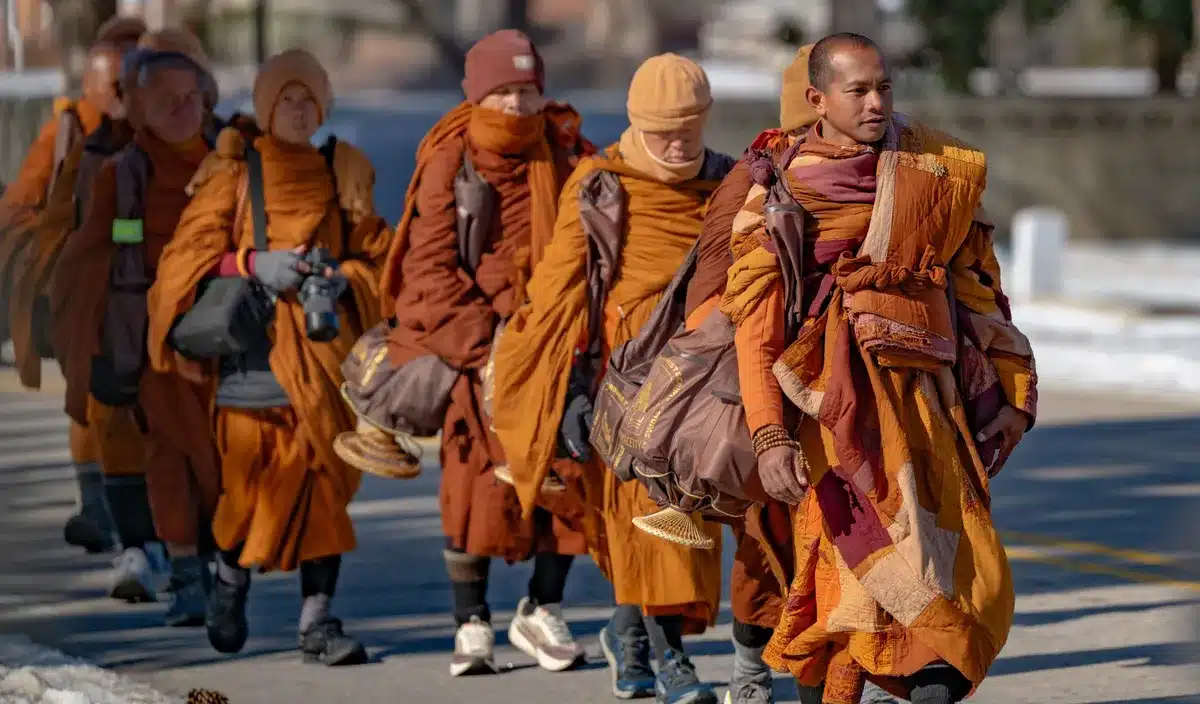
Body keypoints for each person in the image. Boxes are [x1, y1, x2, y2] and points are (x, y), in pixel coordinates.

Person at [721, 34, 1036, 704]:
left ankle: (931, 680)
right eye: (857, 91)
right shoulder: (779, 191)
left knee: (954, 577)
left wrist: (1013, 392)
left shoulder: (935, 171)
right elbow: (757, 327)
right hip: (827, 420)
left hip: (931, 411)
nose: (875, 103)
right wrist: (769, 435)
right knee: (842, 593)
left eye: (883, 88)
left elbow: (979, 290)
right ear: (817, 99)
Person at [344, 29, 594, 676]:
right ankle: (471, 620)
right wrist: (488, 347)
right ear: (477, 94)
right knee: (474, 486)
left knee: (564, 478)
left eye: (526, 90)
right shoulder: (450, 158)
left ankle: (542, 607)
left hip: (552, 342)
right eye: (502, 91)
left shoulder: (564, 150)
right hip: (476, 345)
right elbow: (427, 271)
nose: (516, 104)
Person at [491, 53, 734, 704]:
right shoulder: (603, 183)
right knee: (644, 518)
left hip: (704, 380)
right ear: (636, 123)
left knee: (689, 520)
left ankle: (627, 633)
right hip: (625, 382)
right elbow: (556, 293)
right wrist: (563, 392)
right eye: (662, 133)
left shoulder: (728, 183)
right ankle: (670, 656)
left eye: (688, 130)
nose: (677, 145)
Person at [146, 48, 392, 666]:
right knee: (246, 493)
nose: (300, 111)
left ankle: (318, 621)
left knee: (323, 488)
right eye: (288, 100)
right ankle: (229, 582)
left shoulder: (341, 170)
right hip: (253, 363)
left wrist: (343, 279)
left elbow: (380, 258)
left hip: (324, 359)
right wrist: (253, 263)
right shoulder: (234, 172)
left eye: (310, 99)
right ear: (265, 106)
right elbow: (184, 260)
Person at [50, 28, 222, 627]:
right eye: (165, 101)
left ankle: (221, 571)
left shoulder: (232, 163)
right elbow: (90, 252)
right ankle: (184, 571)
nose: (181, 111)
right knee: (169, 458)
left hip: (223, 338)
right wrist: (89, 324)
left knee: (222, 461)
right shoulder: (120, 171)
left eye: (190, 98)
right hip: (151, 343)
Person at [0, 15, 147, 556]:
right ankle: (97, 504)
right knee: (89, 394)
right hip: (83, 290)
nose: (121, 94)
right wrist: (52, 248)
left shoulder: (166, 128)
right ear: (90, 82)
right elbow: (20, 204)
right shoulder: (69, 129)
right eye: (112, 83)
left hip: (145, 288)